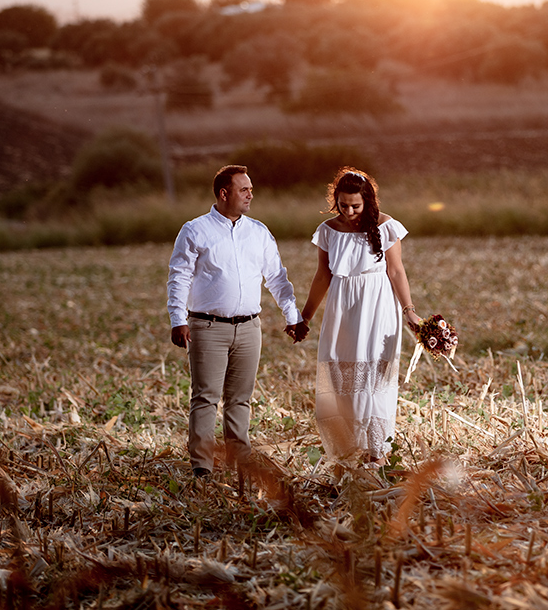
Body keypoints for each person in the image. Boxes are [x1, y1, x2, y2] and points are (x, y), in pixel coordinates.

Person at [167, 164, 308, 478]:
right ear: (223, 193)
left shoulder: (258, 232)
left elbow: (277, 278)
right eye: (244, 190)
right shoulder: (195, 230)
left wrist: (293, 316)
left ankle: (238, 460)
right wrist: (178, 318)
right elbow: (179, 277)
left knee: (240, 398)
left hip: (249, 328)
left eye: (251, 189)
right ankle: (202, 466)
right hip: (207, 327)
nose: (250, 195)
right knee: (205, 397)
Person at [297, 167, 422, 466]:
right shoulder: (328, 231)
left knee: (374, 380)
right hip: (343, 306)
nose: (350, 211)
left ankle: (377, 453)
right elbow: (322, 276)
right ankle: (350, 452)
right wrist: (305, 317)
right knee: (344, 379)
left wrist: (410, 311)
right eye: (343, 205)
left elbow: (396, 271)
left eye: (356, 205)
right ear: (335, 202)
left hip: (377, 305)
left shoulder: (386, 226)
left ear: (368, 200)